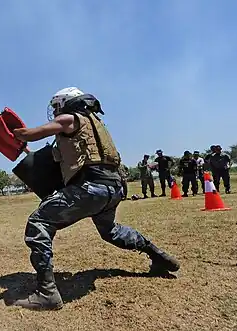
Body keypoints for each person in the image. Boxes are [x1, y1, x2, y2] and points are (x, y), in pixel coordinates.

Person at [11, 87, 180, 311]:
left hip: (91, 188)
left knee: (38, 222)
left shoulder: (68, 119)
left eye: (56, 106)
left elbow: (30, 133)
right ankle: (158, 256)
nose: (55, 111)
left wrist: (9, 130)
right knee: (110, 231)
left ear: (67, 103)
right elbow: (58, 157)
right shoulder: (96, 125)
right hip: (113, 188)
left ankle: (47, 293)